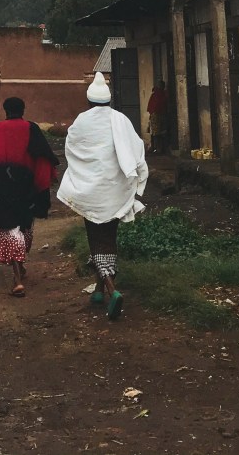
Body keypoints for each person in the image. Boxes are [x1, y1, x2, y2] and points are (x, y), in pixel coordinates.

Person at [57, 71, 148, 320]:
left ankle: (111, 289)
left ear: (89, 101)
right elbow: (136, 148)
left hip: (90, 192)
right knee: (109, 238)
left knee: (97, 240)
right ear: (109, 100)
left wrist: (84, 171)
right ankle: (98, 291)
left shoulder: (81, 122)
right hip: (115, 191)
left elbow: (72, 148)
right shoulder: (121, 120)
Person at [0, 96, 60, 298]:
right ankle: (19, 272)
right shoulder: (32, 128)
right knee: (24, 228)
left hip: (3, 186)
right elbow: (44, 156)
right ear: (23, 110)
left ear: (5, 111)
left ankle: (18, 280)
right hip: (26, 186)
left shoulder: (0, 128)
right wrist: (47, 179)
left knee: (8, 229)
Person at [147, 81, 168, 154]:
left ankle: (155, 148)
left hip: (156, 114)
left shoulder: (156, 94)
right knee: (158, 133)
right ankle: (157, 148)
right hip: (158, 114)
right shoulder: (161, 94)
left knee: (156, 133)